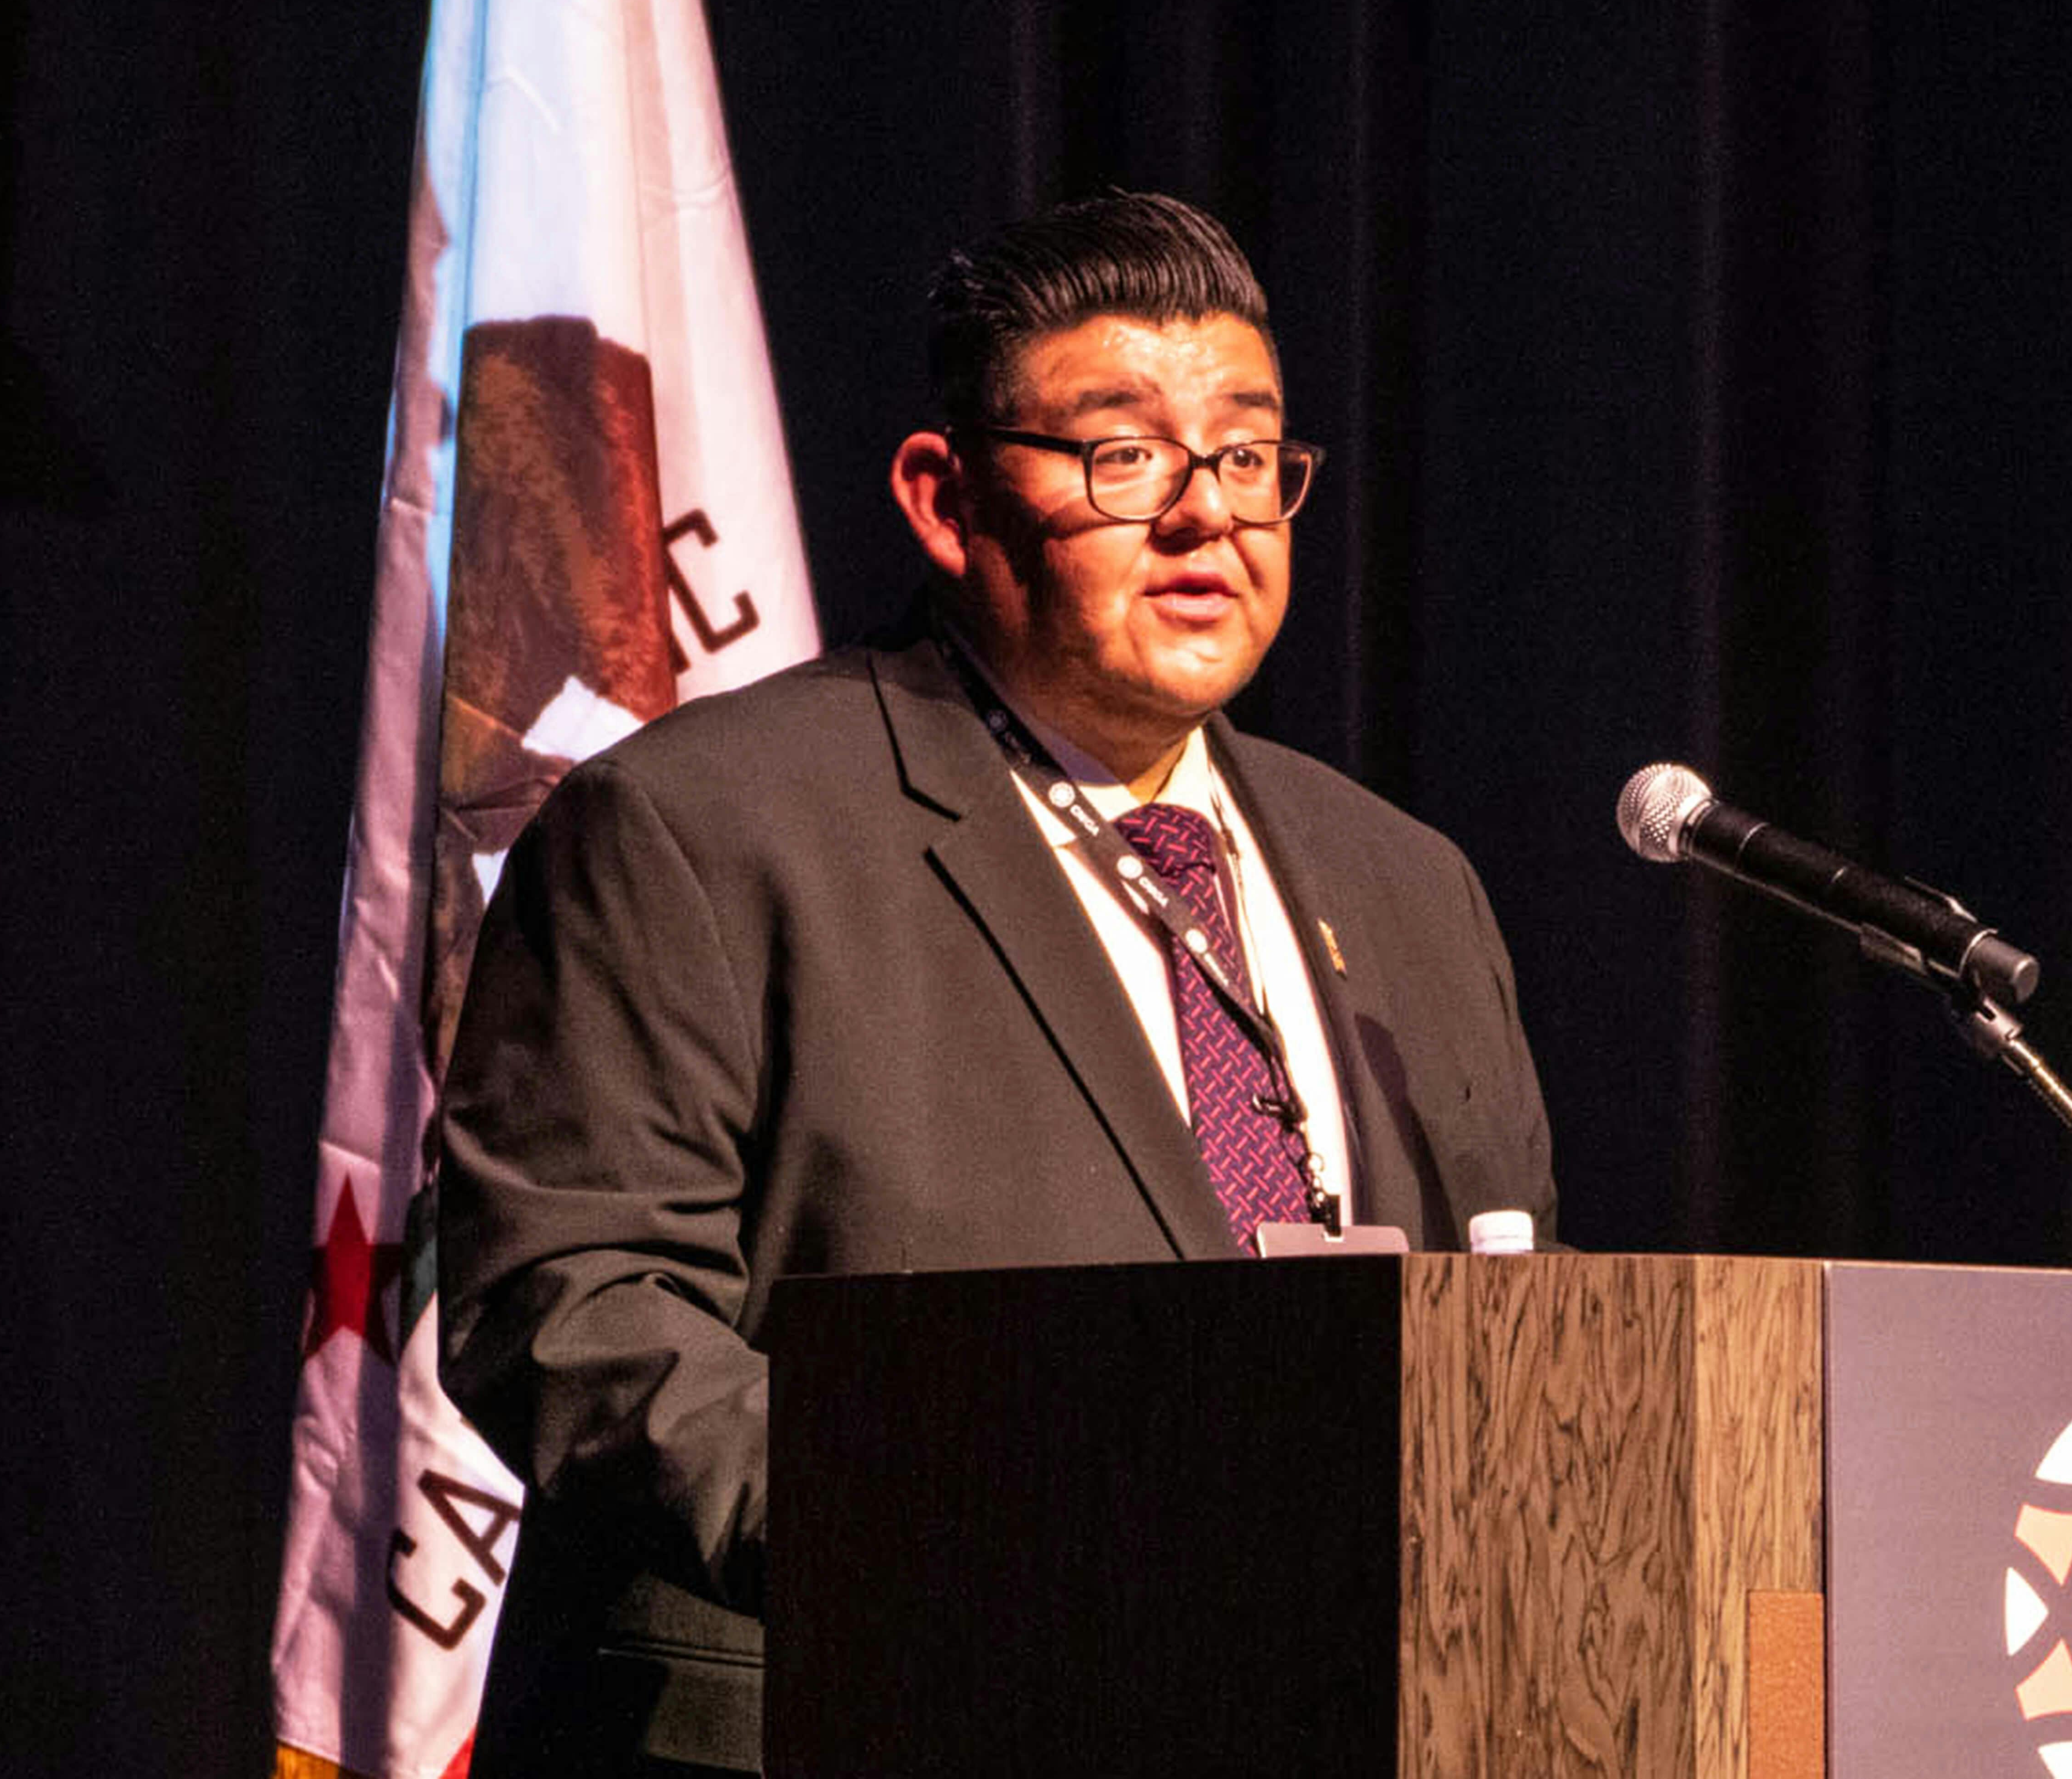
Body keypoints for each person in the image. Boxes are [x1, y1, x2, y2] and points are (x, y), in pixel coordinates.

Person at [438, 190, 1555, 1776]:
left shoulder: (1410, 885)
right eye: (1124, 454)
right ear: (946, 496)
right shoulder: (702, 828)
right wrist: (985, 1552)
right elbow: (572, 1308)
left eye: (1246, 454)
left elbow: (1516, 1347)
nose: (1205, 514)